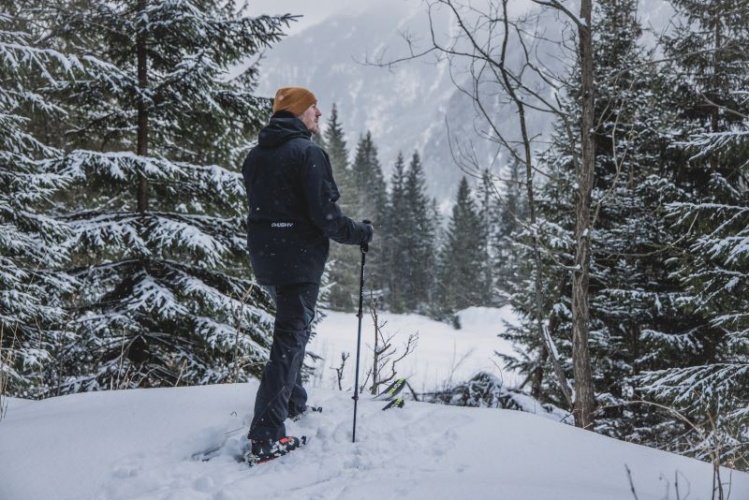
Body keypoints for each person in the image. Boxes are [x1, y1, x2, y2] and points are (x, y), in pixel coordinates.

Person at [241, 87, 373, 464]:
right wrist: (360, 233)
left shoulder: (256, 156)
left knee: (291, 331)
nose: (319, 113)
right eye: (314, 107)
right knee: (289, 338)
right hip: (298, 262)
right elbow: (325, 216)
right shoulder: (307, 153)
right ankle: (265, 436)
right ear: (298, 111)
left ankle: (293, 403)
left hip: (267, 260)